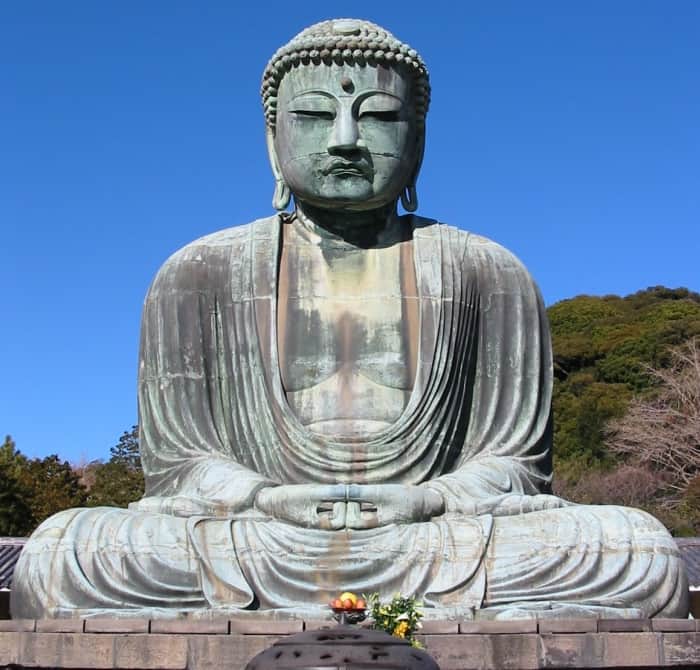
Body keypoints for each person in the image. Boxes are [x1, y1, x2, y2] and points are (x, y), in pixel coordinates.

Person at [12, 19, 688, 620]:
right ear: (273, 143)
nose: (344, 140)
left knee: (634, 549)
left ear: (417, 138)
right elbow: (181, 464)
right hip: (258, 533)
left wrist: (425, 501)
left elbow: (512, 465)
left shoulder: (491, 272)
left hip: (434, 532)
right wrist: (262, 498)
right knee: (64, 553)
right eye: (312, 115)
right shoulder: (197, 273)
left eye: (378, 118)